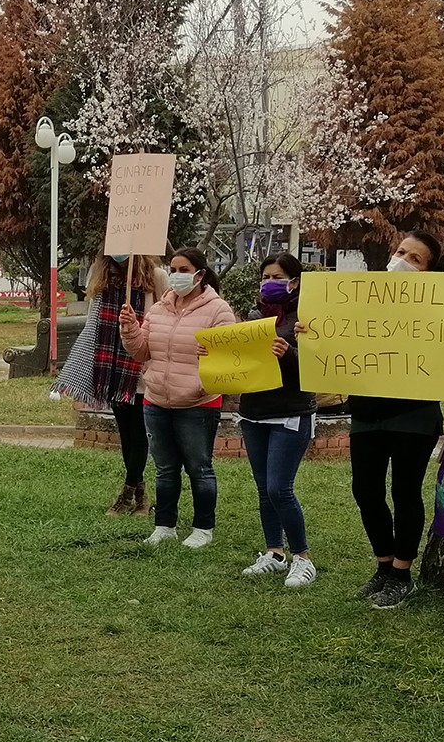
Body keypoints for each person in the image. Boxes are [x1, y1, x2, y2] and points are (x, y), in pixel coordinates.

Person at [346, 230, 444, 610]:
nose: (403, 260)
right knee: (365, 491)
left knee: (404, 492)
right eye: (401, 251)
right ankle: (384, 565)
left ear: (430, 271)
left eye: (415, 258)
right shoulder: (360, 305)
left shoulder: (440, 315)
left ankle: (402, 574)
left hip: (413, 416)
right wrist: (316, 333)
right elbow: (341, 343)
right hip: (367, 412)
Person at [119, 247, 238, 548]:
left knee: (199, 468)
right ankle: (165, 525)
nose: (176, 275)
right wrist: (130, 330)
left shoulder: (218, 310)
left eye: (184, 270)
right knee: (165, 469)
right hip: (157, 400)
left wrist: (213, 355)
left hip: (198, 403)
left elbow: (232, 355)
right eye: (173, 269)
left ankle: (203, 527)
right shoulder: (159, 309)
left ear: (200, 273)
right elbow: (143, 352)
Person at [52, 253, 166, 516]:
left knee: (138, 431)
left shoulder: (156, 277)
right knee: (126, 432)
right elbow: (92, 323)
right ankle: (140, 496)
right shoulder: (100, 273)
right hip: (110, 367)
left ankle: (127, 493)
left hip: (139, 367)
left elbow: (165, 316)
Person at [237, 253, 318, 587]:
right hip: (254, 411)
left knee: (278, 487)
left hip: (291, 411)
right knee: (263, 489)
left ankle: (303, 557)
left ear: (294, 281)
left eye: (277, 276)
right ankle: (274, 552)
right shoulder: (254, 316)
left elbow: (319, 367)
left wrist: (290, 353)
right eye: (265, 276)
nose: (269, 282)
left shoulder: (308, 318)